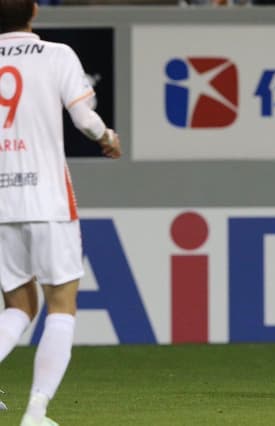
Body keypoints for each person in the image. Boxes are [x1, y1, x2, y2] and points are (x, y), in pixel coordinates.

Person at [0, 1, 121, 425]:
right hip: (47, 198)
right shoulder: (56, 54)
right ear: (33, 10)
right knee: (61, 306)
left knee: (18, 307)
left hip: (1, 202)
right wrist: (107, 136)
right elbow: (84, 120)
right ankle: (35, 412)